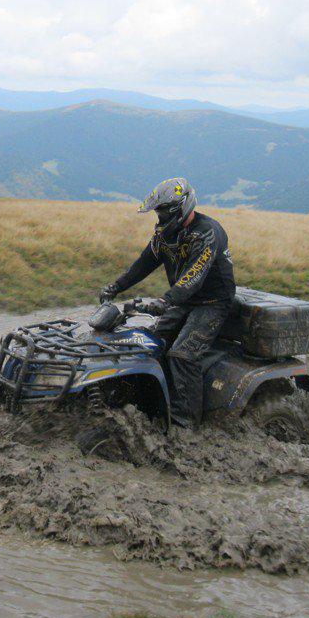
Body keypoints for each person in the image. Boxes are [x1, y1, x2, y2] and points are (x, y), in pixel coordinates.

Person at [99, 177, 235, 429]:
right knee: (150, 342)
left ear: (180, 208)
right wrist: (115, 287)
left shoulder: (207, 232)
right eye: (158, 212)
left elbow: (194, 276)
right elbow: (144, 262)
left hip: (212, 303)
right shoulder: (165, 235)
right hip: (184, 301)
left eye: (164, 212)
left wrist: (165, 301)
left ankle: (186, 424)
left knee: (183, 354)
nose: (160, 217)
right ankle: (155, 401)